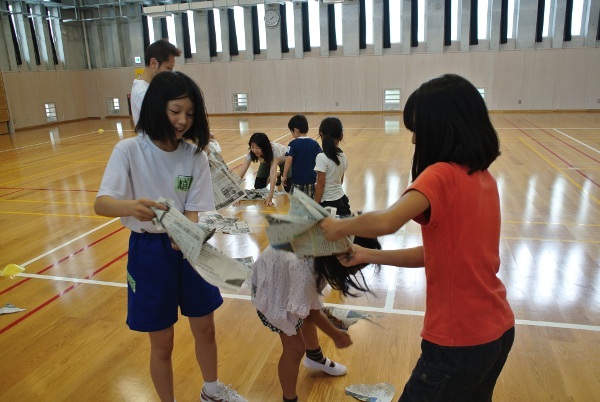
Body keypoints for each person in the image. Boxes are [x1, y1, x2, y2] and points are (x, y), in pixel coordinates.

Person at [320, 74, 515, 402]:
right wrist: (368, 255)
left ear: (440, 128)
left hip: (457, 342)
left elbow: (387, 221)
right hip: (497, 332)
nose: (414, 142)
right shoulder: (484, 178)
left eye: (418, 131)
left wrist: (337, 226)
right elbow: (439, 254)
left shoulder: (440, 175)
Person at [94, 71, 247, 402]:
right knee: (162, 341)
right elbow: (101, 203)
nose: (182, 121)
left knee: (205, 327)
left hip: (188, 249)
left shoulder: (194, 156)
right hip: (149, 252)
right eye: (176, 111)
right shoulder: (129, 150)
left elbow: (194, 208)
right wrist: (131, 206)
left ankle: (212, 390)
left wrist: (188, 236)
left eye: (190, 114)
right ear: (156, 107)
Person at [251, 237, 381, 402]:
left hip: (283, 273)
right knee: (295, 349)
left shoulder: (330, 247)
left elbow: (310, 306)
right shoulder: (307, 269)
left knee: (305, 308)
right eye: (357, 267)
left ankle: (314, 357)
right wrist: (336, 335)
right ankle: (289, 399)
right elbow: (313, 313)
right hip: (272, 290)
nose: (356, 272)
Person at [131, 39, 182, 126]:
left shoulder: (152, 87)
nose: (171, 73)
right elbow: (162, 121)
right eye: (169, 68)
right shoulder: (142, 91)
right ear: (153, 63)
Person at [237, 132, 291, 207]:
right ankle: (279, 174)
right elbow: (242, 171)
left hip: (284, 159)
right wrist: (235, 195)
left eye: (258, 147)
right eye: (252, 147)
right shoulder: (252, 153)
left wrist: (270, 195)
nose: (255, 150)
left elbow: (272, 172)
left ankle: (279, 174)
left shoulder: (274, 150)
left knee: (289, 187)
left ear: (264, 147)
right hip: (266, 161)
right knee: (259, 187)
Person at [314, 117, 351, 216]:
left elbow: (320, 185)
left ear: (321, 134)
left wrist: (315, 206)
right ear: (341, 136)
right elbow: (340, 181)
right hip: (341, 200)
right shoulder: (343, 156)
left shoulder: (321, 157)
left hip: (327, 203)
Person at [281, 114, 322, 198]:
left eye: (291, 132)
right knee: (310, 203)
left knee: (297, 204)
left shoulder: (293, 144)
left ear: (296, 131)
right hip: (312, 180)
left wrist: (284, 175)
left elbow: (288, 160)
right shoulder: (314, 143)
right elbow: (321, 158)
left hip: (297, 181)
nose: (292, 134)